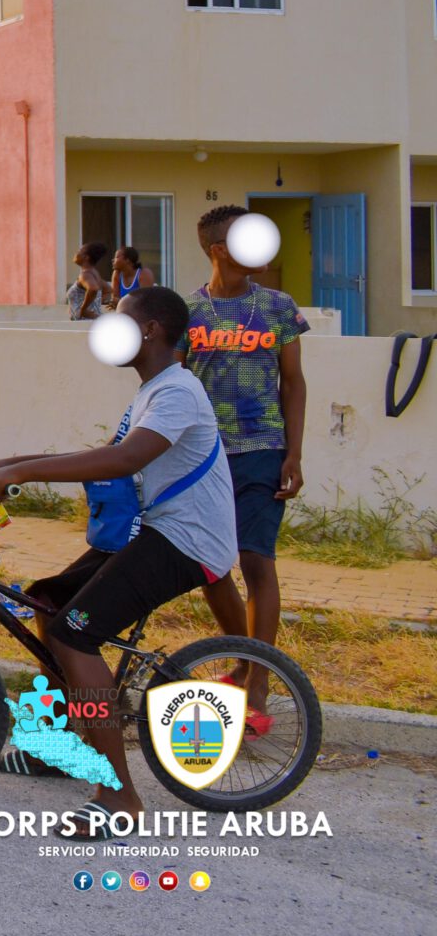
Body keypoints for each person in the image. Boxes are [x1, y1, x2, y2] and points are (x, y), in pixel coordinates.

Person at [0, 286, 237, 841]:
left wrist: (21, 473)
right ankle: (59, 747)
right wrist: (13, 462)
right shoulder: (153, 392)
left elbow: (125, 459)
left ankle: (118, 796)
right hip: (160, 529)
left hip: (186, 539)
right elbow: (107, 457)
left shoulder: (178, 393)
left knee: (75, 635)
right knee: (46, 599)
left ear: (153, 330)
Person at [186, 205, 307, 729]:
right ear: (219, 250)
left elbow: (293, 383)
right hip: (203, 458)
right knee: (210, 568)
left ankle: (258, 684)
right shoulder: (186, 313)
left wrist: (294, 453)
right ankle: (242, 661)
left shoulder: (278, 307)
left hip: (262, 452)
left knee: (257, 563)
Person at [66, 241, 109, 320]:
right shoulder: (94, 273)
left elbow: (93, 289)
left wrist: (83, 310)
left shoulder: (85, 275)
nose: (76, 253)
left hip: (85, 324)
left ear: (86, 257)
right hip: (94, 321)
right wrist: (96, 303)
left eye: (79, 251)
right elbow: (108, 289)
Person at [107, 245, 154, 309]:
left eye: (117, 257)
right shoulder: (117, 273)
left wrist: (120, 302)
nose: (113, 260)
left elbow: (145, 301)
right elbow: (114, 299)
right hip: (123, 313)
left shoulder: (144, 273)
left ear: (127, 260)